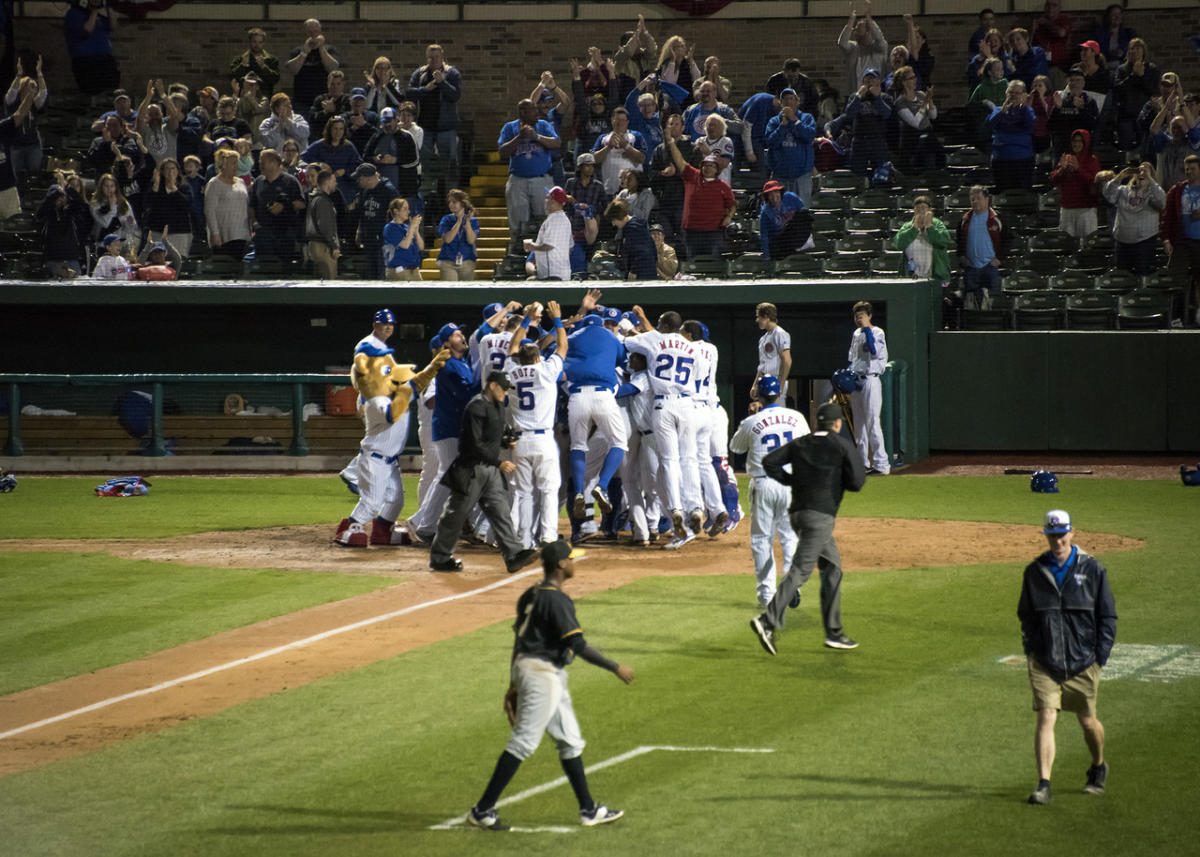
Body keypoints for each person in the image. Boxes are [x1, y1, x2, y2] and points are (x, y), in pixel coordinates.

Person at [466, 538, 632, 831]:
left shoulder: (530, 594)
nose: (574, 562)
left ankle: (589, 810)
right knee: (523, 742)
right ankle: (482, 809)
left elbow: (520, 640)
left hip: (532, 669)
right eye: (571, 558)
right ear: (561, 565)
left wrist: (513, 683)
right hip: (542, 675)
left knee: (569, 740)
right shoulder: (557, 600)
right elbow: (577, 645)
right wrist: (615, 667)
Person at [750, 401, 866, 655]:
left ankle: (834, 633)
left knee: (833, 568)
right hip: (820, 517)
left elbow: (769, 462)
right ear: (837, 423)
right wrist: (836, 483)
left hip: (798, 513)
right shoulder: (841, 445)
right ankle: (767, 621)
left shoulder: (801, 442)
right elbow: (857, 482)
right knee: (801, 571)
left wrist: (790, 480)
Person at [1018, 509, 1116, 806]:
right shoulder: (1034, 572)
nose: (1057, 541)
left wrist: (1099, 656)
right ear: (1046, 536)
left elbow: (1107, 616)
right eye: (1052, 536)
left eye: (1062, 535)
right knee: (1046, 716)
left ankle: (1098, 765)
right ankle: (1043, 784)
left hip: (1083, 661)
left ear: (1072, 533)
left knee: (1088, 722)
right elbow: (1026, 615)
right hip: (1045, 661)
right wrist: (1032, 651)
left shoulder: (1092, 570)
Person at [428, 370, 542, 575]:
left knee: (501, 512)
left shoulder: (497, 406)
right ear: (492, 386)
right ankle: (440, 557)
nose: (506, 393)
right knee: (456, 514)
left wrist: (505, 441)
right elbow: (474, 443)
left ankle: (514, 554)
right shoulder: (476, 407)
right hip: (471, 470)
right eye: (504, 388)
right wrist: (499, 462)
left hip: (489, 471)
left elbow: (491, 437)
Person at [729, 376, 809, 608]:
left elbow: (736, 447)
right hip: (790, 483)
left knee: (762, 539)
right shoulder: (797, 418)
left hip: (763, 484)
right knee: (790, 536)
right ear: (780, 392)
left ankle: (766, 595)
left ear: (758, 395)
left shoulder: (753, 421)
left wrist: (751, 418)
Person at [504, 301, 568, 548]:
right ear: (539, 356)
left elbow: (512, 345)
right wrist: (559, 319)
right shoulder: (547, 370)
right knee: (549, 490)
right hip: (543, 439)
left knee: (523, 492)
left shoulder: (512, 371)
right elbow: (562, 346)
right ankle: (548, 537)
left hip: (519, 440)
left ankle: (523, 539)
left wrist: (527, 320)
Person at [665, 137, 736, 260]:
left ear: (717, 169)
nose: (708, 168)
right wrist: (671, 143)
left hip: (714, 233)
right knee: (693, 265)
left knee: (713, 266)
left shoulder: (723, 186)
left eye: (711, 166)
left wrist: (729, 217)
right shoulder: (693, 176)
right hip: (692, 232)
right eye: (705, 165)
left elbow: (732, 205)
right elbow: (680, 161)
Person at [498, 98, 560, 237]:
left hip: (541, 179)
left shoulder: (543, 125)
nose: (537, 113)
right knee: (518, 222)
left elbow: (556, 143)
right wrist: (519, 138)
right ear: (522, 112)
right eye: (533, 110)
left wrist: (536, 136)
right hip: (518, 180)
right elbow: (503, 152)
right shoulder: (510, 127)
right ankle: (517, 251)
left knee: (544, 219)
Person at [847, 301, 890, 476]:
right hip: (857, 381)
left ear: (869, 316)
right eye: (856, 316)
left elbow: (874, 352)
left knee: (872, 423)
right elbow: (852, 358)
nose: (858, 319)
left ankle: (881, 464)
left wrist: (867, 329)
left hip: (871, 380)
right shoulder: (856, 333)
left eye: (862, 316)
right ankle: (861, 463)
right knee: (859, 427)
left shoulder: (877, 332)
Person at [826, 68, 893, 178]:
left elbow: (887, 114)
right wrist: (858, 96)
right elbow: (849, 114)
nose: (869, 81)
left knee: (881, 174)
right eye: (867, 79)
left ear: (878, 81)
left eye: (872, 78)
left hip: (878, 140)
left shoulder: (885, 97)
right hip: (860, 141)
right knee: (858, 174)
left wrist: (877, 97)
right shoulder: (855, 97)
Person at [406, 44, 461, 175]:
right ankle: (427, 192)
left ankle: (450, 192)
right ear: (426, 58)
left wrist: (442, 83)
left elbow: (455, 96)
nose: (434, 60)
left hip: (446, 127)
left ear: (442, 57)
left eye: (437, 57)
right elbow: (409, 93)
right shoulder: (420, 74)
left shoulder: (452, 73)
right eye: (431, 58)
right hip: (425, 127)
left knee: (449, 164)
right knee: (424, 162)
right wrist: (425, 89)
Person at [1103, 163, 1164, 275]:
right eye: (1139, 171)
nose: (1142, 173)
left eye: (1145, 171)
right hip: (1122, 242)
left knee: (1143, 276)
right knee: (1123, 278)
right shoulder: (1123, 191)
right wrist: (1120, 176)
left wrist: (1150, 179)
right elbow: (1107, 192)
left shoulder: (1153, 192)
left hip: (1144, 242)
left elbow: (1162, 202)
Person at [1161, 155, 1200, 326]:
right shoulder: (1177, 190)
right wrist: (1166, 239)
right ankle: (1176, 317)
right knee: (1176, 282)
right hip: (1182, 242)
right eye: (1186, 169)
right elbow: (1167, 217)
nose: (1189, 172)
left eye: (1192, 168)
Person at [956, 185, 1008, 309]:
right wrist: (962, 257)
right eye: (972, 199)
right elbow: (959, 241)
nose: (975, 201)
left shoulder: (997, 219)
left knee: (993, 303)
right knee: (971, 304)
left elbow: (1008, 240)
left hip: (990, 268)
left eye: (978, 198)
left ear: (987, 199)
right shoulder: (964, 220)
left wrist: (1000, 258)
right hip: (971, 268)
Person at [250, 148, 304, 261]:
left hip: (285, 234)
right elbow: (252, 206)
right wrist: (255, 224)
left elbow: (301, 204)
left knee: (284, 269)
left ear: (274, 162)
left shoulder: (291, 181)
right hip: (263, 234)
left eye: (262, 162)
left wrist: (285, 206)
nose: (260, 165)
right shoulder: (258, 182)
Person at [763, 88, 817, 202]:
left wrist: (795, 121)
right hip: (780, 176)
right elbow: (771, 142)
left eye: (791, 98)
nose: (788, 102)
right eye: (785, 99)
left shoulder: (807, 118)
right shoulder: (774, 122)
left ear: (797, 101)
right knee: (781, 210)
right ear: (780, 103)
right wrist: (782, 126)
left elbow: (809, 136)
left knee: (802, 211)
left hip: (801, 176)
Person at [286, 18, 340, 123]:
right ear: (305, 34)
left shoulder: (329, 50)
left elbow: (332, 68)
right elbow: (293, 70)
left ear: (320, 32)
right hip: (301, 101)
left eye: (316, 32)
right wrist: (304, 52)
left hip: (323, 100)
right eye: (310, 32)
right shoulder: (298, 51)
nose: (313, 35)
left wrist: (321, 49)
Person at [1050, 129, 1101, 239]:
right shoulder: (1067, 158)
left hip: (1086, 209)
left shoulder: (1092, 160)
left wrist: (1079, 169)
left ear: (1085, 142)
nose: (1076, 144)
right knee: (1067, 244)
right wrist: (1061, 170)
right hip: (1067, 208)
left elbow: (1094, 182)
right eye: (1074, 141)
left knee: (1088, 243)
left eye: (1080, 141)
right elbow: (1054, 180)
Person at [989, 80, 1036, 193]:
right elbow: (990, 125)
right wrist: (1002, 112)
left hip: (1023, 159)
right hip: (1001, 159)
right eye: (1011, 92)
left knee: (1023, 194)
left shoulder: (1028, 110)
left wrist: (1023, 107)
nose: (1013, 95)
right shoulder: (998, 110)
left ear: (1024, 95)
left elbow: (1031, 125)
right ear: (1006, 94)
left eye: (1017, 93)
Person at [63, 0, 120, 94]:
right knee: (92, 92)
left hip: (105, 59)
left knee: (112, 90)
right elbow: (87, 30)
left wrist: (109, 7)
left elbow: (113, 26)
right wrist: (95, 10)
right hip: (86, 61)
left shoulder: (99, 17)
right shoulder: (73, 14)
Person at [894, 195, 953, 281]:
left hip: (935, 277)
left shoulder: (938, 224)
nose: (920, 210)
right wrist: (914, 229)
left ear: (929, 210)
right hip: (911, 278)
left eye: (923, 207)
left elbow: (944, 242)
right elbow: (899, 244)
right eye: (917, 208)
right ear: (914, 210)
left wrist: (929, 227)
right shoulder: (907, 227)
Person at [204, 149, 251, 258]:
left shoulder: (241, 182)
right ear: (223, 164)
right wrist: (215, 234)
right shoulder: (214, 183)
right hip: (223, 236)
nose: (236, 167)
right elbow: (209, 211)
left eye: (237, 163)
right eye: (233, 164)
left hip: (242, 234)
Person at [838, 2, 889, 98]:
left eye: (857, 28)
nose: (853, 30)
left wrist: (869, 19)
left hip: (876, 96)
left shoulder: (880, 48)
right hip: (855, 95)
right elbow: (842, 43)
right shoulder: (853, 48)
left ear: (868, 31)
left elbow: (879, 37)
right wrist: (851, 19)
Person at [591, 107, 646, 196]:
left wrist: (626, 146)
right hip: (610, 188)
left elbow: (641, 158)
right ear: (612, 120)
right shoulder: (603, 138)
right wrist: (608, 147)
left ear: (627, 122)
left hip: (634, 191)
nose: (620, 123)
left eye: (623, 120)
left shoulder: (636, 136)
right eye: (617, 119)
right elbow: (595, 159)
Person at [750, 302, 791, 413]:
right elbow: (762, 365)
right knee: (765, 416)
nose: (757, 320)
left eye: (758, 317)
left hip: (775, 382)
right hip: (764, 383)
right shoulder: (763, 338)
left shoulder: (780, 334)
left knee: (777, 416)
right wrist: (755, 385)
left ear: (766, 317)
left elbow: (787, 360)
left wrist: (780, 385)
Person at [524, 186, 572, 281]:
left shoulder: (555, 220)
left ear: (554, 202)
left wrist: (532, 246)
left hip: (552, 275)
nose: (545, 201)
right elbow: (570, 247)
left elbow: (549, 246)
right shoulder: (562, 219)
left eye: (548, 198)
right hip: (558, 272)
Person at [758, 180, 812, 260]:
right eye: (770, 194)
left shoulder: (791, 197)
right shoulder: (766, 213)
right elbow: (764, 236)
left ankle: (802, 246)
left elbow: (802, 210)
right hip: (780, 240)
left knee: (804, 214)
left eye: (776, 192)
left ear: (780, 192)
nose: (774, 196)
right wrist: (767, 256)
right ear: (767, 197)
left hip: (794, 234)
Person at [605, 198, 655, 280]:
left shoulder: (633, 228)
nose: (613, 224)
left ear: (620, 217)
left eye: (614, 220)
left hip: (643, 274)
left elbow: (643, 251)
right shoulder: (634, 226)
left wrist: (634, 271)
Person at [437, 188, 479, 281]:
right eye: (449, 202)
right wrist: (459, 221)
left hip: (466, 261)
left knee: (466, 293)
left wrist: (467, 222)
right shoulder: (446, 220)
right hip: (448, 261)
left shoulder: (473, 221)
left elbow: (471, 240)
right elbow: (447, 239)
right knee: (451, 292)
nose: (450, 204)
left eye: (454, 202)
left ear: (462, 203)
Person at [305, 168, 341, 279]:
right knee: (328, 281)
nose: (336, 183)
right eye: (334, 180)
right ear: (327, 182)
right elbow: (325, 227)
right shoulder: (322, 201)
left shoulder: (316, 199)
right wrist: (333, 246)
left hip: (317, 245)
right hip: (323, 247)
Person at [382, 197, 424, 280]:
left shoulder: (407, 227)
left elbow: (421, 247)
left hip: (413, 269)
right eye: (405, 209)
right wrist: (412, 228)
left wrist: (416, 231)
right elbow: (405, 245)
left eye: (408, 209)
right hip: (399, 270)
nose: (408, 212)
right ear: (396, 211)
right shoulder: (390, 228)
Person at [230, 27, 280, 93]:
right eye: (254, 41)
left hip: (265, 97)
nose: (257, 45)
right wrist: (243, 65)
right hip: (244, 97)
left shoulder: (271, 60)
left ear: (264, 43)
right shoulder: (240, 59)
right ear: (249, 41)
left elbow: (275, 79)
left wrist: (263, 67)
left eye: (260, 42)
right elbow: (233, 78)